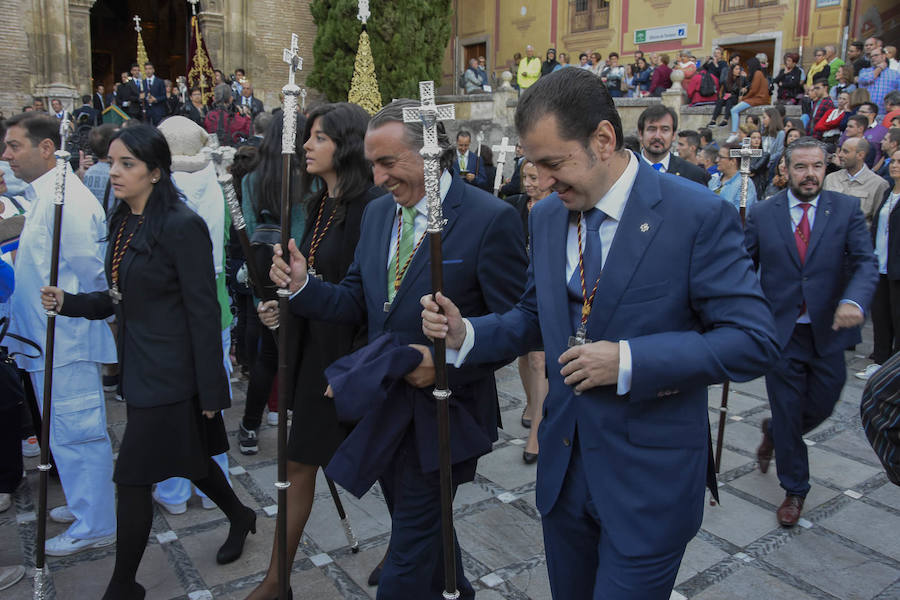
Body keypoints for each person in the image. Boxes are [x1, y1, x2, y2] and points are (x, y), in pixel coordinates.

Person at [421, 67, 778, 600]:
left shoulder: (697, 215)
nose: (538, 180)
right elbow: (533, 315)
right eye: (532, 165)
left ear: (604, 140)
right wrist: (466, 332)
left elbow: (754, 340)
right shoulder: (545, 218)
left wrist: (630, 360)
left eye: (553, 163)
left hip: (647, 486)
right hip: (565, 479)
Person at [269, 99, 527, 598]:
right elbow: (355, 300)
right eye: (373, 164)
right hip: (384, 409)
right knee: (427, 534)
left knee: (406, 560)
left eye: (389, 163)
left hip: (444, 419)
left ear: (432, 155)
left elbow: (517, 326)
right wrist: (303, 287)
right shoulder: (377, 215)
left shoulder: (489, 219)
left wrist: (449, 359)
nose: (379, 176)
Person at [40, 125, 257, 598]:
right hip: (139, 371)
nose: (113, 172)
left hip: (174, 375)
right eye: (113, 162)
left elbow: (205, 313)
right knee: (194, 461)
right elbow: (120, 297)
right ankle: (241, 516)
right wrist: (71, 302)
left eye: (127, 165)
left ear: (156, 172)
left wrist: (212, 390)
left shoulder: (182, 225)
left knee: (133, 476)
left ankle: (123, 585)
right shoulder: (124, 222)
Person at [245, 102, 378, 600]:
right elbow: (314, 281)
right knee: (298, 464)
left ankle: (422, 546)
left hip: (351, 360)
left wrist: (356, 368)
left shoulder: (373, 208)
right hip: (315, 355)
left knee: (389, 465)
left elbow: (375, 297)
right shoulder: (322, 204)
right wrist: (284, 305)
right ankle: (278, 579)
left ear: (345, 145)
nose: (306, 146)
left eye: (318, 137)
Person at [745, 137, 878, 527]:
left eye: (817, 166)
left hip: (829, 331)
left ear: (827, 168)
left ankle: (773, 432)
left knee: (822, 402)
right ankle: (795, 489)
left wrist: (854, 301)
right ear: (786, 169)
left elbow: (866, 263)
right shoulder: (763, 213)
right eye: (800, 167)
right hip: (781, 332)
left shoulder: (846, 209)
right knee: (788, 411)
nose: (809, 174)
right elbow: (741, 266)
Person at [2, 113, 118, 557]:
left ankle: (97, 522)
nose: (7, 156)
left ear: (46, 148)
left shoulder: (66, 200)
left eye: (15, 147)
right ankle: (87, 501)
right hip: (45, 338)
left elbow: (91, 276)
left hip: (67, 338)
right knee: (64, 431)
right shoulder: (45, 195)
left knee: (78, 430)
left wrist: (89, 317)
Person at [236, 111, 307, 454]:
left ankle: (250, 426)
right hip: (301, 265)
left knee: (268, 351)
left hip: (265, 264)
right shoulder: (309, 178)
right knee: (301, 346)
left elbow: (249, 231)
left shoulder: (253, 178)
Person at [502, 159, 549, 463]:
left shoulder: (560, 206)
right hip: (518, 289)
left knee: (538, 358)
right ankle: (531, 403)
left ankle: (537, 433)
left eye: (535, 177)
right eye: (524, 177)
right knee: (523, 354)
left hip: (548, 289)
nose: (529, 183)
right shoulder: (514, 206)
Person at [859, 148, 900, 382]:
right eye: (892, 161)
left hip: (896, 265)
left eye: (899, 162)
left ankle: (895, 365)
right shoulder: (887, 192)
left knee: (897, 315)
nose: (894, 165)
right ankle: (880, 360)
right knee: (881, 315)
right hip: (880, 262)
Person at [636, 104, 709, 185]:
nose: (657, 136)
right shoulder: (626, 169)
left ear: (673, 135)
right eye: (652, 129)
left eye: (665, 130)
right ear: (640, 134)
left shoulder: (694, 175)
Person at [825, 137, 889, 226]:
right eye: (840, 151)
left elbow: (878, 223)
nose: (839, 155)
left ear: (860, 155)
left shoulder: (878, 184)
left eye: (845, 151)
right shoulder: (830, 178)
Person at [728, 57, 770, 142]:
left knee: (734, 110)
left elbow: (754, 90)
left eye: (748, 66)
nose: (748, 67)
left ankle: (734, 133)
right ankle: (735, 133)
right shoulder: (759, 73)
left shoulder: (757, 73)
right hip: (759, 98)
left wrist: (743, 98)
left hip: (758, 99)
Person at [710, 141, 758, 212]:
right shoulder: (713, 180)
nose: (717, 160)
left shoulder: (745, 184)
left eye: (721, 157)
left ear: (733, 161)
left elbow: (740, 214)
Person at [204, 84, 251, 148]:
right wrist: (245, 115)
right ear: (231, 99)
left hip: (212, 153)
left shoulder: (209, 116)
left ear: (214, 98)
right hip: (231, 153)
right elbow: (250, 131)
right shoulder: (235, 119)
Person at [859, 47, 900, 117]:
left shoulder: (895, 74)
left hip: (885, 113)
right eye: (871, 56)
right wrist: (880, 68)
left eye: (876, 55)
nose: (873, 58)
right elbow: (867, 79)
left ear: (884, 56)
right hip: (866, 113)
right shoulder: (864, 71)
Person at [709, 62, 745, 127]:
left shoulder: (742, 78)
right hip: (727, 96)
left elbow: (747, 86)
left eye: (739, 69)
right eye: (736, 69)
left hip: (736, 97)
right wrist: (725, 95)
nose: (738, 71)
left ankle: (725, 120)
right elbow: (724, 90)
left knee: (729, 101)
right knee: (719, 102)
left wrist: (744, 89)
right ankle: (713, 120)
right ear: (732, 70)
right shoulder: (727, 79)